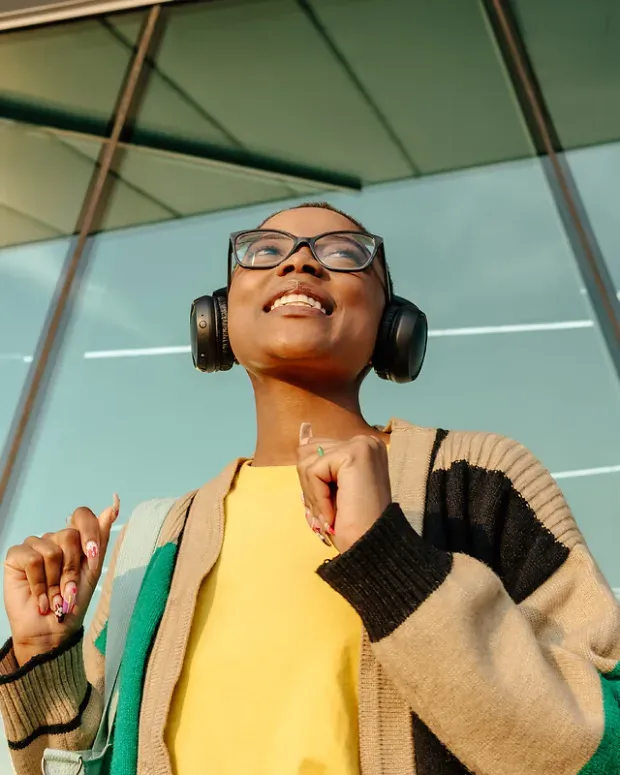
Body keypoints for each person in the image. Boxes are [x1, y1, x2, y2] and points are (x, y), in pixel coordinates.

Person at [1, 202, 619, 775]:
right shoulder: (156, 542)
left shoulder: (474, 479)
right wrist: (43, 651)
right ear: (218, 316)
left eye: (345, 253)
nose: (299, 261)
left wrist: (392, 562)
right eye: (264, 251)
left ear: (393, 324)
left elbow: (601, 742)